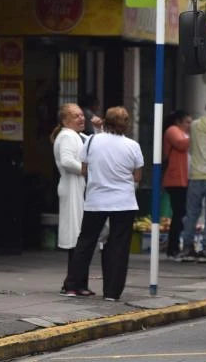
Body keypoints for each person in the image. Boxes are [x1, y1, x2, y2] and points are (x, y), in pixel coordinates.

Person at [62, 106, 144, 301]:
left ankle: (73, 285)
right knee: (118, 246)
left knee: (85, 242)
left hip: (95, 200)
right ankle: (112, 292)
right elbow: (138, 176)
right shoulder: (133, 146)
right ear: (126, 125)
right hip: (124, 202)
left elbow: (83, 169)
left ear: (105, 122)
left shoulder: (91, 142)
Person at [179, 98, 206, 263]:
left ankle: (187, 246)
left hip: (195, 175)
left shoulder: (194, 125)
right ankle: (205, 247)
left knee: (191, 213)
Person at [50, 103, 86, 293]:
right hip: (71, 186)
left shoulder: (75, 136)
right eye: (75, 116)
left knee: (79, 235)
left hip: (76, 185)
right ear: (65, 121)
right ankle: (72, 283)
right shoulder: (67, 136)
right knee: (76, 235)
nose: (81, 118)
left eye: (81, 115)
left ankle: (77, 282)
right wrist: (86, 169)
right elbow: (66, 161)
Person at [163, 109, 192, 259]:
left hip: (183, 178)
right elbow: (181, 144)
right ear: (179, 121)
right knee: (179, 213)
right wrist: (197, 136)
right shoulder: (173, 130)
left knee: (181, 213)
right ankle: (172, 247)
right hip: (175, 179)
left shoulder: (182, 132)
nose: (189, 125)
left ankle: (175, 245)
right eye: (187, 122)